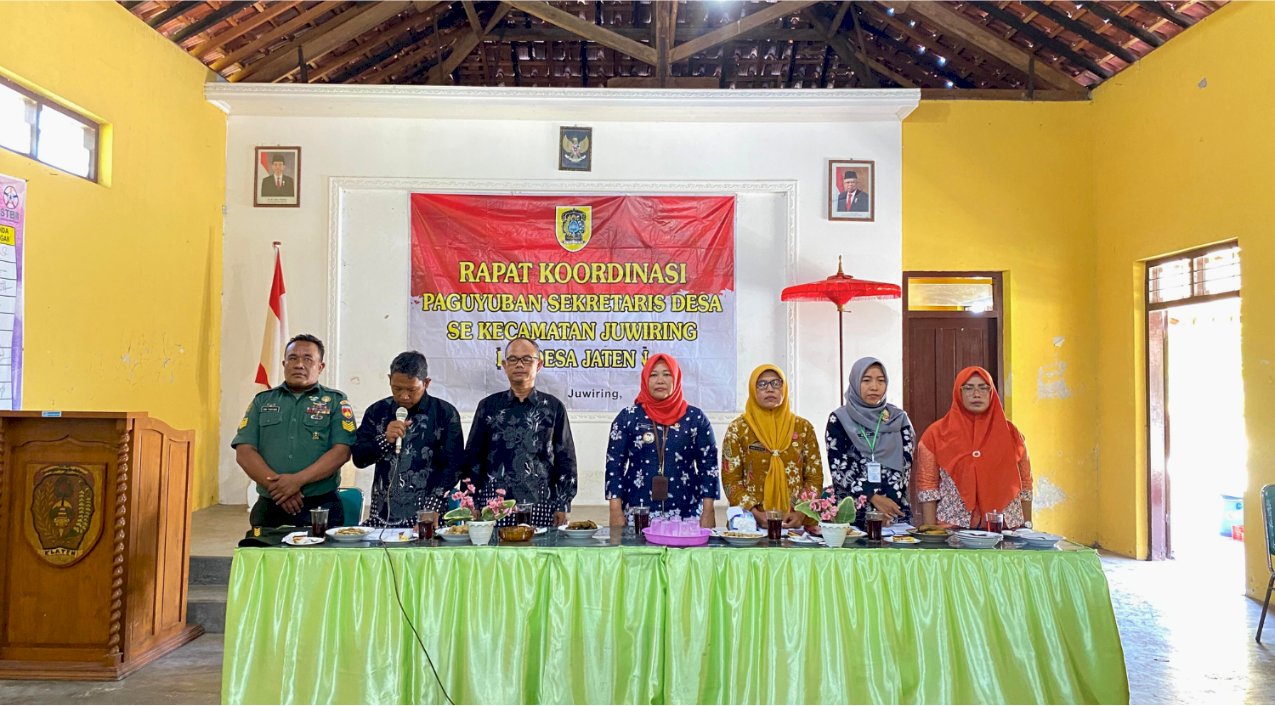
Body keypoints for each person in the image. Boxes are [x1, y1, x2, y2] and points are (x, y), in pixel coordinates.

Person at [233, 334, 353, 528]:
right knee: (265, 557)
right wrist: (279, 488)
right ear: (284, 364)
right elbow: (244, 451)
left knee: (321, 558)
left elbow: (342, 451)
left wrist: (296, 481)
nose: (299, 364)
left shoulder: (336, 402)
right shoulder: (262, 401)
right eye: (293, 358)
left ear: (320, 367)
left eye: (307, 359)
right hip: (270, 505)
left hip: (320, 507)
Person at [466, 337, 577, 527]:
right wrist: (471, 500)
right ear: (504, 365)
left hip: (542, 504)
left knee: (539, 555)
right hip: (494, 506)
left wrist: (563, 503)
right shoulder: (489, 406)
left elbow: (565, 458)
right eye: (513, 359)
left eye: (526, 359)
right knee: (495, 555)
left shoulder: (553, 407)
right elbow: (473, 457)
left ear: (539, 364)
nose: (519, 365)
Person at [605, 353, 720, 528]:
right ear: (645, 379)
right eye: (653, 374)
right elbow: (614, 465)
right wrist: (615, 510)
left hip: (686, 513)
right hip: (638, 513)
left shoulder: (695, 418)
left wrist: (708, 511)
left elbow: (708, 466)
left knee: (685, 556)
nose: (660, 380)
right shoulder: (628, 417)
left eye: (667, 374)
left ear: (676, 378)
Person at [352, 351, 465, 527]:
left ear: (426, 383)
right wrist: (384, 439)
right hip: (382, 517)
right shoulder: (377, 411)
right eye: (397, 389)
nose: (404, 396)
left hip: (428, 516)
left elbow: (454, 466)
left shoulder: (444, 413)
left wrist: (433, 506)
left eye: (411, 390)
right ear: (390, 379)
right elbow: (359, 458)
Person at [915, 365, 1034, 529]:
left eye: (983, 388)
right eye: (969, 388)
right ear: (958, 392)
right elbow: (927, 484)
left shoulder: (1011, 434)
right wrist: (930, 530)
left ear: (991, 393)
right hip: (952, 528)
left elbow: (1025, 483)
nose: (976, 394)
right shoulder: (935, 434)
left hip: (1004, 527)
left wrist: (1027, 527)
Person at [722, 364, 823, 529]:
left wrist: (801, 512)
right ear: (753, 390)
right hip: (749, 523)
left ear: (784, 388)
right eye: (762, 384)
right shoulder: (738, 429)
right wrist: (755, 513)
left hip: (797, 524)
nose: (770, 389)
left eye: (776, 383)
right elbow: (731, 480)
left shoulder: (803, 428)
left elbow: (814, 478)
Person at [826, 357, 915, 526]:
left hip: (893, 509)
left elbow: (905, 467)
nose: (874, 387)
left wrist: (887, 506)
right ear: (855, 382)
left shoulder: (899, 419)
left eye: (881, 381)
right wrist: (873, 498)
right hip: (851, 511)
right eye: (866, 380)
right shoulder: (839, 419)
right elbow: (838, 469)